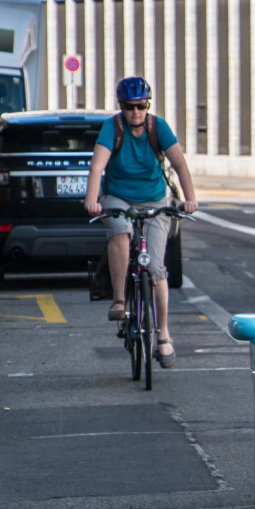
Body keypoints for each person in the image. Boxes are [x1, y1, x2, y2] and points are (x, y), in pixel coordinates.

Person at [84, 76, 198, 369]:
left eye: (141, 106)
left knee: (157, 268)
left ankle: (163, 335)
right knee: (120, 231)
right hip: (119, 197)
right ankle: (120, 300)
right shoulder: (114, 127)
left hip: (155, 199)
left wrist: (190, 198)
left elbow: (179, 164)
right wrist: (93, 198)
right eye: (129, 107)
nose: (136, 112)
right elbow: (98, 165)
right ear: (121, 107)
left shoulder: (158, 127)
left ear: (148, 105)